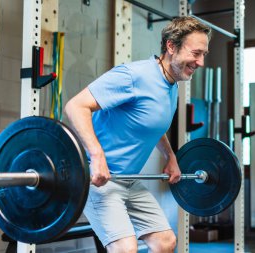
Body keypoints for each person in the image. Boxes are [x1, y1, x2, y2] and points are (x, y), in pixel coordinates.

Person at [64, 16, 211, 253]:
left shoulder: (171, 84)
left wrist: (170, 156)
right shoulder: (133, 76)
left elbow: (153, 124)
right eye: (196, 53)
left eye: (204, 54)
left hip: (129, 181)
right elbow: (75, 106)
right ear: (171, 47)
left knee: (165, 243)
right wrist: (97, 155)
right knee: (125, 249)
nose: (201, 62)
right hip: (99, 180)